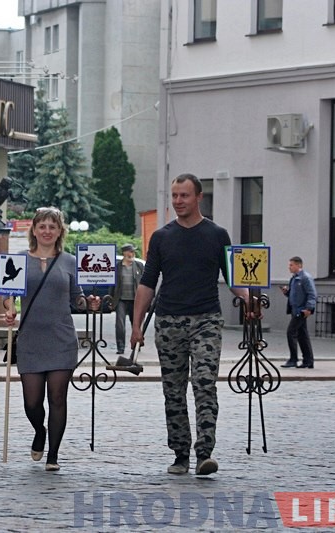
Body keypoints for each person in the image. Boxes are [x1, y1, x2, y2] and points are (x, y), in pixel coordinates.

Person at [130, 174, 250, 476]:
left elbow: (235, 277)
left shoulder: (217, 234)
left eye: (184, 196)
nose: (178, 202)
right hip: (169, 320)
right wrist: (136, 326)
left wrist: (251, 299)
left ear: (198, 197)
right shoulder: (161, 237)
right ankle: (180, 453)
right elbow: (147, 283)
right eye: (174, 196)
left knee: (204, 382)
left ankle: (204, 453)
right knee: (173, 389)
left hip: (206, 318)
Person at [3, 207, 100, 471]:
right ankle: (39, 431)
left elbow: (76, 298)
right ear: (34, 230)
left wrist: (88, 302)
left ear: (60, 232)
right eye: (42, 226)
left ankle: (53, 455)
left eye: (52, 227)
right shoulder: (20, 259)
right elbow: (8, 294)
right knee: (32, 402)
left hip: (61, 338)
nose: (47, 231)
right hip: (31, 338)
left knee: (58, 397)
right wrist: (9, 310)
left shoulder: (69, 261)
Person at [280, 256, 317, 369]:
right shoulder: (294, 278)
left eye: (291, 265)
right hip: (295, 309)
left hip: (301, 310)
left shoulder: (305, 278)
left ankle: (293, 359)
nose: (289, 267)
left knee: (291, 332)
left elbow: (312, 294)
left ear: (299, 265)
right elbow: (294, 294)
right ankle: (308, 360)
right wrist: (287, 292)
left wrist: (309, 308)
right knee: (302, 335)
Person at [109, 243, 144, 354]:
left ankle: (137, 345)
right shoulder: (117, 267)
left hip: (135, 299)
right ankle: (120, 347)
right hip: (121, 300)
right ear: (124, 253)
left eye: (133, 252)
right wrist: (111, 300)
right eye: (130, 251)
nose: (132, 254)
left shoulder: (139, 266)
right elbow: (112, 285)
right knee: (120, 324)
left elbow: (144, 283)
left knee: (136, 324)